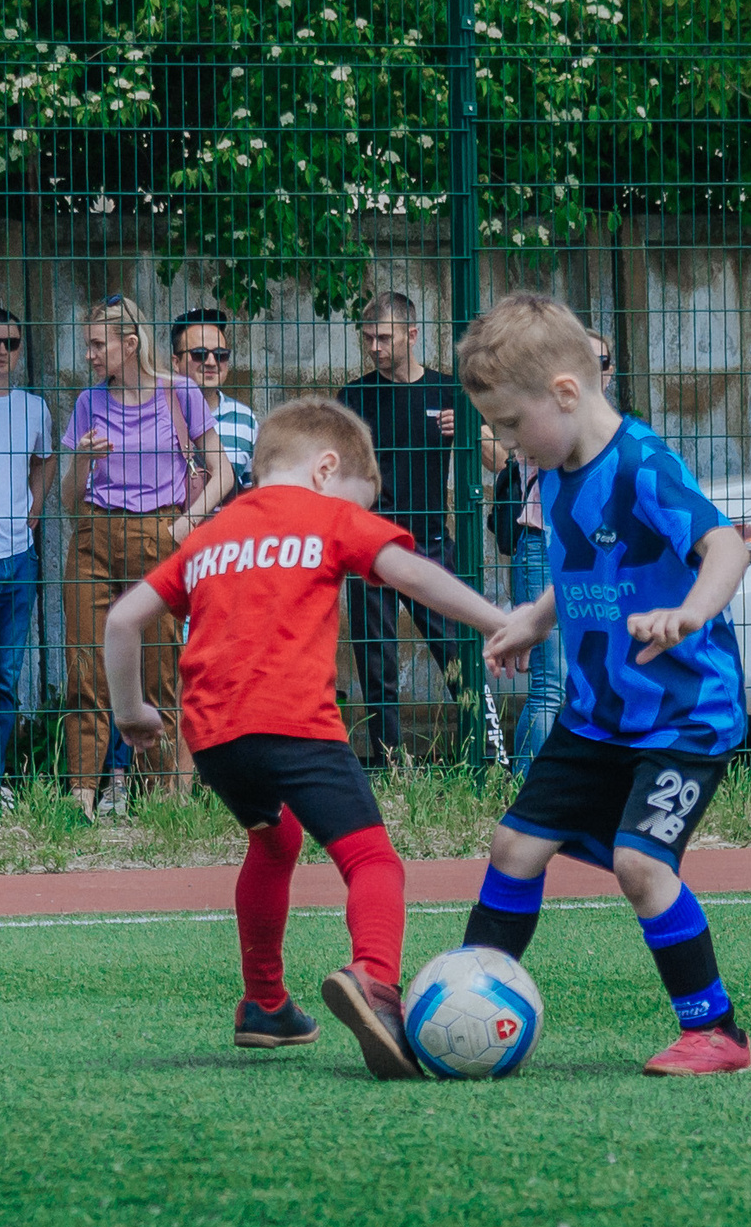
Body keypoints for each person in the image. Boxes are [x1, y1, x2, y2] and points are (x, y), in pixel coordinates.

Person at [104, 398, 514, 1077]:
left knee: (275, 840)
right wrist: (498, 621)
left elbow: (122, 621)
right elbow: (412, 574)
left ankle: (264, 1004)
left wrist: (131, 712)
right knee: (373, 861)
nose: (359, 510)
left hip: (215, 738)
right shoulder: (328, 517)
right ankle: (375, 979)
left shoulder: (208, 534)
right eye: (359, 498)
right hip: (294, 723)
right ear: (326, 470)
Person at [460, 293, 751, 1077]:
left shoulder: (642, 464)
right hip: (595, 718)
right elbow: (583, 568)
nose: (507, 444)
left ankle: (717, 1031)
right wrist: (534, 620)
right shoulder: (555, 474)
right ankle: (470, 999)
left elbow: (727, 546)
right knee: (515, 845)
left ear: (565, 392)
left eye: (511, 425)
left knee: (640, 864)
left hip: (684, 717)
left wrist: (689, 613)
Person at [61, 294, 234, 819]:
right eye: (88, 344)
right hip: (94, 533)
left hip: (157, 534)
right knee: (85, 666)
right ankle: (81, 797)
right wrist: (81, 461)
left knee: (159, 669)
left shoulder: (179, 393)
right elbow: (68, 501)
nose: (89, 354)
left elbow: (223, 472)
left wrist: (185, 523)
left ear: (130, 343)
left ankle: (161, 798)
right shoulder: (89, 401)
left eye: (98, 344)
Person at [338, 291, 472, 767]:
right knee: (378, 666)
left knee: (457, 654)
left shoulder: (448, 392)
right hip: (372, 548)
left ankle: (483, 749)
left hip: (430, 544)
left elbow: (495, 458)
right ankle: (389, 767)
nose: (374, 347)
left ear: (412, 335)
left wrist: (469, 430)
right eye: (368, 338)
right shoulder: (354, 397)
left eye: (384, 338)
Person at [482, 328, 610, 775]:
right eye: (583, 361)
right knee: (550, 683)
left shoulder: (619, 433)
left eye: (601, 363)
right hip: (542, 543)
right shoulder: (545, 423)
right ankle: (524, 783)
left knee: (580, 679)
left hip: (594, 552)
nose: (594, 371)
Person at [0, 308, 56, 787]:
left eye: (11, 343)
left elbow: (45, 459)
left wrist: (35, 505)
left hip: (20, 559)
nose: (2, 351)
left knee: (5, 675)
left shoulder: (34, 407)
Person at [172, 308, 258, 491]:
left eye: (220, 354)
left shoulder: (245, 418)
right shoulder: (159, 413)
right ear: (175, 362)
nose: (211, 362)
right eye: (199, 354)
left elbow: (250, 490)